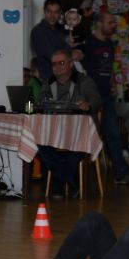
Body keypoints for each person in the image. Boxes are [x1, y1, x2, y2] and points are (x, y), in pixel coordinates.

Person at [35, 48, 101, 197]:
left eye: (61, 63)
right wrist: (39, 106)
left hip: (81, 131)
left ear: (71, 64)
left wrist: (88, 105)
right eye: (54, 64)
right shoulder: (48, 83)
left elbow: (96, 100)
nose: (57, 67)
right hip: (55, 131)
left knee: (78, 144)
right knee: (36, 143)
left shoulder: (84, 81)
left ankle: (59, 182)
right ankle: (71, 181)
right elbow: (40, 103)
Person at [81, 11, 129, 184]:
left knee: (113, 134)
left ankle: (120, 173)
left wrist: (113, 84)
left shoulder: (109, 43)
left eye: (114, 22)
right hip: (92, 97)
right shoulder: (89, 43)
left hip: (107, 96)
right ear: (99, 23)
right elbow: (82, 69)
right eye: (110, 22)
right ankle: (79, 176)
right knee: (88, 135)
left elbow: (110, 67)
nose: (113, 25)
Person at [30, 0, 67, 84]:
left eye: (56, 12)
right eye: (49, 12)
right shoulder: (38, 31)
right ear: (44, 11)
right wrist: (71, 55)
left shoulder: (64, 29)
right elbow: (52, 56)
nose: (52, 16)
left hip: (66, 79)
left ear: (60, 13)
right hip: (49, 81)